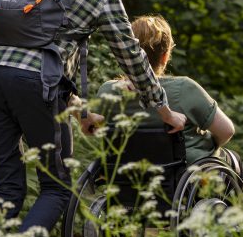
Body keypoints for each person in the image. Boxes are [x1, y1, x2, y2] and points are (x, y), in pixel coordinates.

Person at [0, 0, 187, 237]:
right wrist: (165, 110)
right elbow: (132, 57)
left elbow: (42, 54)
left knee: (6, 186)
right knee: (56, 187)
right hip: (34, 84)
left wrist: (80, 110)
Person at [98, 14, 236, 162]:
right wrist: (209, 145)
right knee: (233, 160)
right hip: (182, 175)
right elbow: (226, 131)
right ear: (165, 56)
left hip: (123, 175)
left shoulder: (107, 91)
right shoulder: (185, 88)